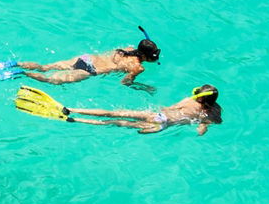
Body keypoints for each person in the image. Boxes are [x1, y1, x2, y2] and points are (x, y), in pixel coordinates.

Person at [15, 84, 222, 135]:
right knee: (115, 122)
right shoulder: (214, 112)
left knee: (114, 112)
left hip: (158, 114)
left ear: (197, 94)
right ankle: (76, 120)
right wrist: (202, 128)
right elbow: (203, 126)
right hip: (162, 124)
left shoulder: (188, 99)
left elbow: (170, 107)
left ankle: (71, 108)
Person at [14, 27, 160, 91]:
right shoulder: (138, 67)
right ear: (146, 57)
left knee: (45, 67)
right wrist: (143, 87)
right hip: (91, 70)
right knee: (50, 80)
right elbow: (124, 82)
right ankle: (21, 73)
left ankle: (14, 64)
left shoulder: (127, 49)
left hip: (87, 58)